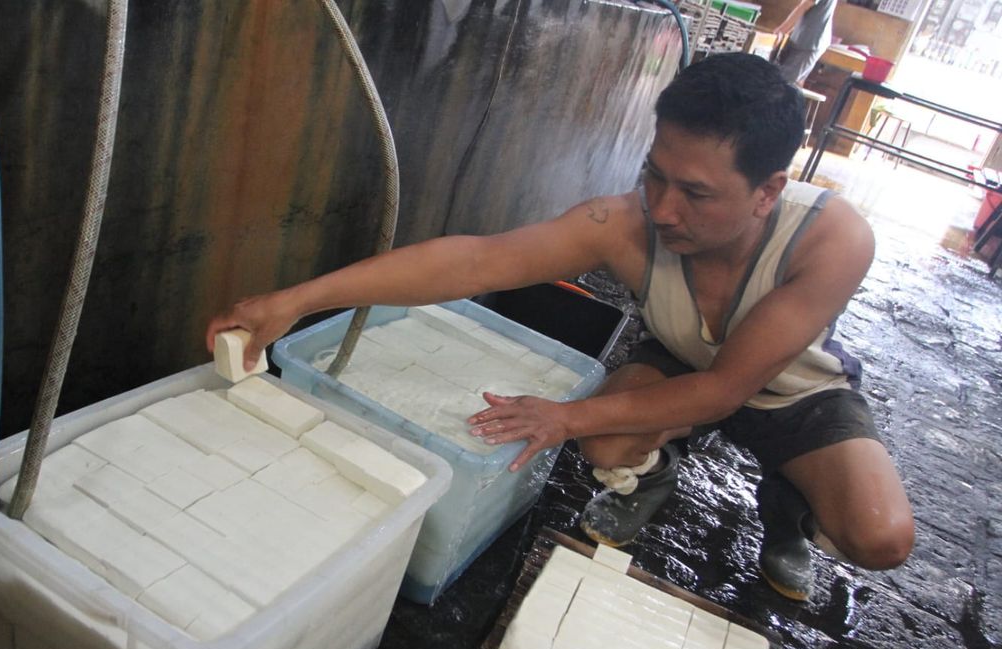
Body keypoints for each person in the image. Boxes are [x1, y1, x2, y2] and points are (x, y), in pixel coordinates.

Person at [206, 53, 914, 602]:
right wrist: (298, 300)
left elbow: (728, 390)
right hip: (683, 359)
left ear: (768, 191)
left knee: (881, 536)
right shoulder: (625, 222)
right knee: (604, 437)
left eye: (697, 193)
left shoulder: (833, 239)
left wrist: (561, 416)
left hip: (790, 389)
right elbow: (480, 261)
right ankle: (651, 472)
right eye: (655, 174)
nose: (664, 210)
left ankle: (788, 509)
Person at [773, 0, 838, 85]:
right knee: (781, 83)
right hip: (805, 40)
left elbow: (805, 4)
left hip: (809, 42)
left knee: (782, 85)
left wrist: (781, 30)